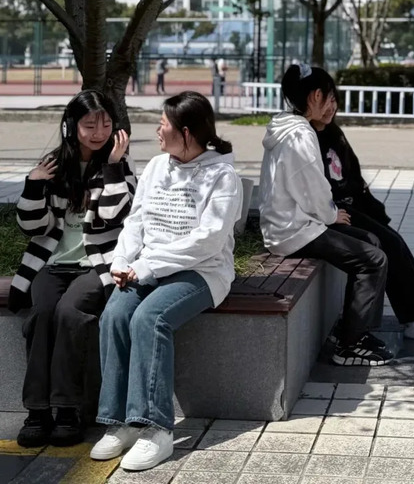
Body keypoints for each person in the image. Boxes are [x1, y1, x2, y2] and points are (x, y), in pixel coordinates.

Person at [90, 91, 240, 472]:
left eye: (163, 125)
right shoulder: (158, 166)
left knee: (149, 318)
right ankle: (119, 421)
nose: (157, 131)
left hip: (202, 271)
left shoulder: (222, 175)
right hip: (148, 266)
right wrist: (123, 261)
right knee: (115, 315)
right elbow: (136, 221)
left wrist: (148, 266)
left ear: (187, 133)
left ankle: (156, 430)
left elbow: (208, 240)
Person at [9, 90, 134, 448]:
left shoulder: (120, 163)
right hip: (50, 264)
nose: (98, 132)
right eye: (89, 124)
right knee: (42, 313)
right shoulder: (53, 163)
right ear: (71, 125)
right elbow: (32, 227)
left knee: (69, 312)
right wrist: (34, 184)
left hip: (97, 265)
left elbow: (116, 215)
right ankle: (37, 412)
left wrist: (113, 165)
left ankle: (68, 409)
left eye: (106, 124)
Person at [259, 63, 392, 367]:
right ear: (316, 96)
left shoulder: (286, 126)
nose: (334, 106)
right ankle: (349, 345)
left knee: (371, 240)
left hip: (292, 224)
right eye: (331, 98)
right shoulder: (300, 136)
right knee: (373, 259)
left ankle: (351, 330)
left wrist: (329, 215)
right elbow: (313, 189)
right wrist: (332, 215)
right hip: (293, 231)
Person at [311, 94, 414, 343]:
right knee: (387, 243)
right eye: (323, 101)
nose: (330, 107)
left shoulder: (332, 132)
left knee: (394, 240)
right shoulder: (307, 137)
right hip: (329, 214)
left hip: (348, 208)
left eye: (333, 100)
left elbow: (353, 175)